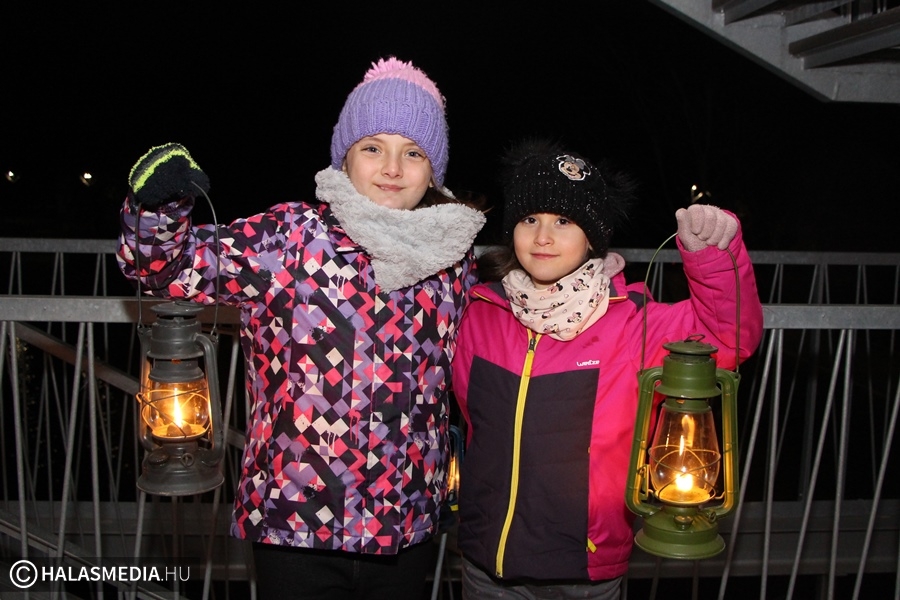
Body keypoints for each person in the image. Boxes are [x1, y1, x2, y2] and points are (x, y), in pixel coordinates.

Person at [117, 57, 486, 600]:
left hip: (405, 522)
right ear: (345, 158)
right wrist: (159, 207)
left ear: (434, 170)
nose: (391, 167)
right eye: (372, 148)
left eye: (413, 152)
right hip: (295, 520)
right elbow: (163, 269)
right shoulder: (289, 238)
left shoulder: (453, 258)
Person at [450, 140, 763, 598]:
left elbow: (730, 336)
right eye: (529, 219)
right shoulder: (481, 312)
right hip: (486, 564)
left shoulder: (632, 323)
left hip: (584, 570)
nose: (543, 236)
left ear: (593, 235)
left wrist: (714, 252)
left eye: (564, 220)